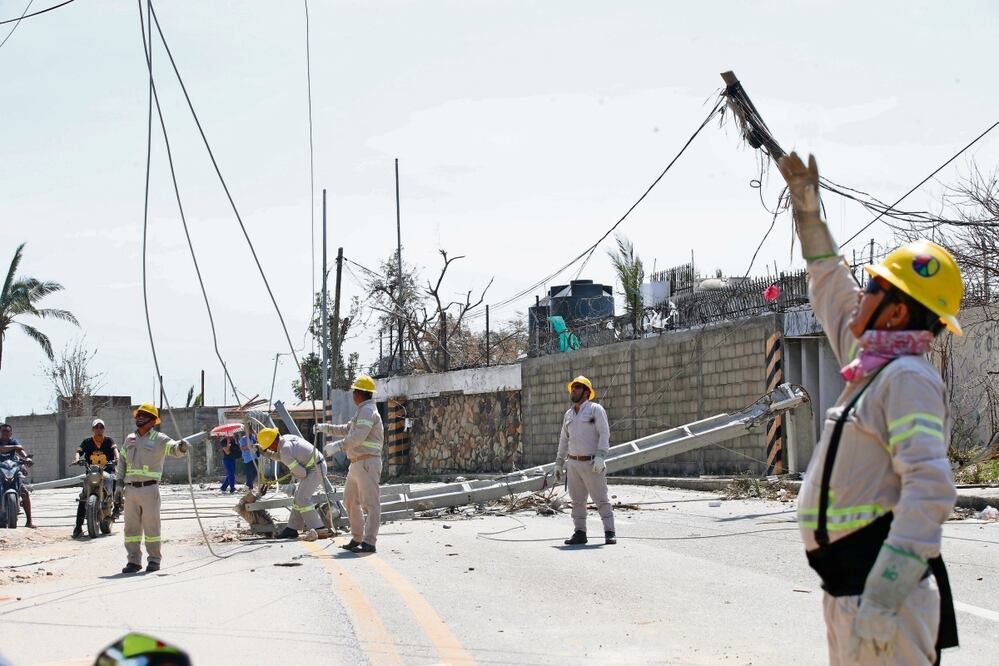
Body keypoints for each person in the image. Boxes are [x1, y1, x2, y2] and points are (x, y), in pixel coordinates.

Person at [779, 152, 959, 665]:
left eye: (874, 289)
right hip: (849, 595)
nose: (860, 297)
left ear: (899, 311)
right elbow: (830, 285)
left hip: (884, 601)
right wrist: (808, 216)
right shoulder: (873, 364)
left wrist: (884, 597)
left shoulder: (907, 379)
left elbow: (930, 489)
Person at [115, 403, 196, 574]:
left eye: (143, 415)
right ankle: (133, 561)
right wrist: (118, 484)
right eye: (138, 415)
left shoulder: (159, 439)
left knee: (152, 527)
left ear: (152, 421)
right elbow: (121, 461)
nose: (139, 418)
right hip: (130, 491)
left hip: (149, 489)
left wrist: (181, 447)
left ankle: (154, 560)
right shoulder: (129, 439)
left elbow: (174, 449)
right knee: (131, 529)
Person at [314, 375, 384, 553]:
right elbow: (347, 429)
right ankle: (357, 538)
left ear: (360, 393)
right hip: (357, 464)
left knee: (370, 504)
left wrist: (338, 446)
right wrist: (326, 428)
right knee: (350, 500)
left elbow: (357, 437)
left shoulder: (368, 411)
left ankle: (369, 542)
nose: (353, 395)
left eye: (354, 391)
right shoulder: (362, 411)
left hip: (367, 462)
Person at [553, 376, 615, 545]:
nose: (573, 390)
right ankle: (580, 532)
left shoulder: (595, 410)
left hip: (592, 462)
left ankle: (609, 532)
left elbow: (604, 433)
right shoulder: (568, 414)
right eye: (573, 387)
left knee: (601, 498)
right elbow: (564, 439)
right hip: (573, 463)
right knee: (577, 500)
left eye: (578, 387)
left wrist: (601, 456)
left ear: (587, 392)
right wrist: (559, 462)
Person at [257, 426, 328, 541]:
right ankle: (292, 528)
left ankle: (319, 527)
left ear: (272, 443)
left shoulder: (284, 451)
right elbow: (282, 455)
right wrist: (267, 454)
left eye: (268, 447)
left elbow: (302, 473)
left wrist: (293, 473)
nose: (270, 449)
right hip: (316, 464)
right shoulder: (285, 439)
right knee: (298, 498)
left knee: (303, 498)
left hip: (315, 469)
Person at [72, 418, 120, 538]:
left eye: (101, 427)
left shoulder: (108, 441)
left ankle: (117, 507)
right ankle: (78, 527)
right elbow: (79, 451)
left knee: (114, 481)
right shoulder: (87, 442)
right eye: (97, 427)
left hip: (107, 471)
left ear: (104, 429)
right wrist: (77, 459)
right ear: (93, 429)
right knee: (83, 496)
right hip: (91, 473)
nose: (99, 429)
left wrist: (117, 458)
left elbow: (115, 450)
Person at [0, 422, 35, 528]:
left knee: (24, 491)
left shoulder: (13, 441)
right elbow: (2, 449)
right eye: (3, 431)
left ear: (11, 433)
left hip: (12, 468)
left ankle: (29, 521)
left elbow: (20, 450)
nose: (5, 433)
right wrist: (15, 447)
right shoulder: (11, 444)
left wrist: (27, 459)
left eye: (7, 431)